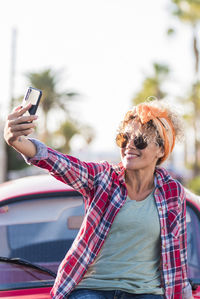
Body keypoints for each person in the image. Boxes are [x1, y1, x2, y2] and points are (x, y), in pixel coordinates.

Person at [4, 99, 194, 299]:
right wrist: (15, 140)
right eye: (124, 138)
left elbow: (177, 255)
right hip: (92, 288)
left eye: (139, 141)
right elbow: (59, 162)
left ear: (161, 150)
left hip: (146, 292)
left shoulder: (172, 192)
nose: (129, 146)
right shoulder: (103, 178)